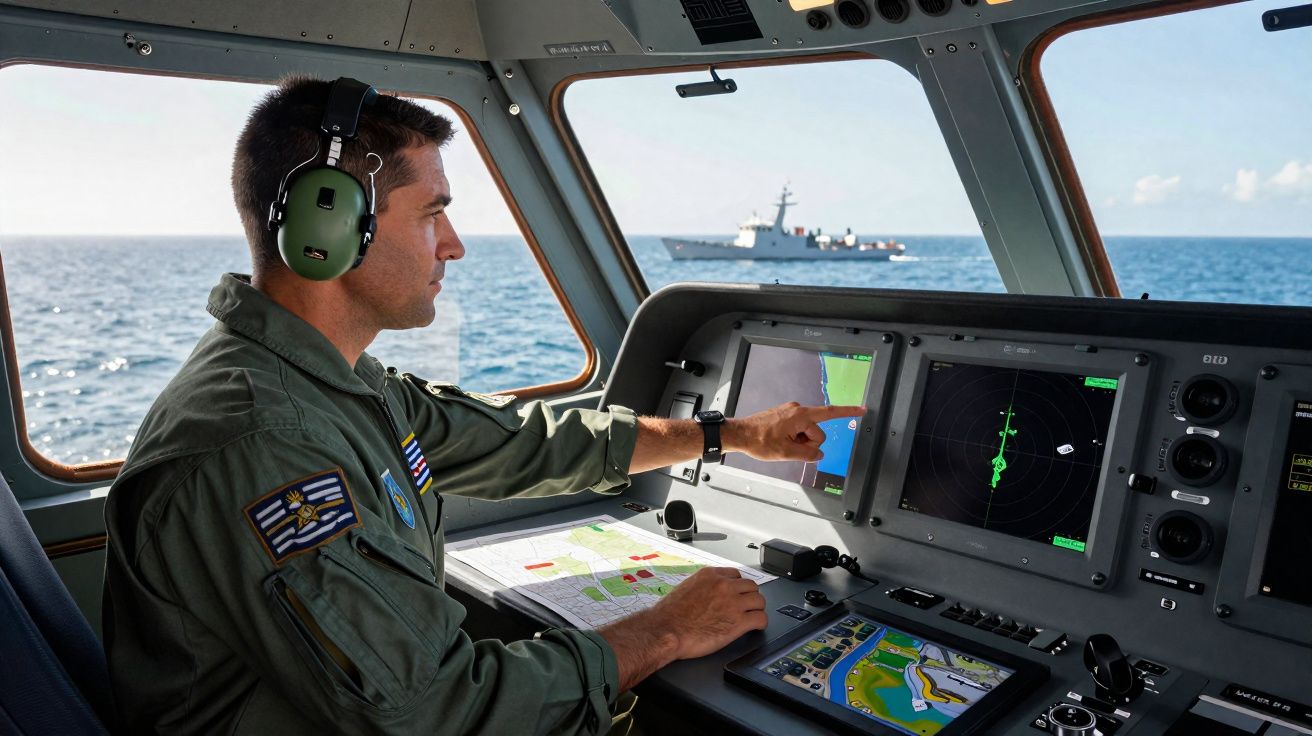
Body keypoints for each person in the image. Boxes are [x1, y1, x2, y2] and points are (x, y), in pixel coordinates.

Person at [102, 76, 863, 734]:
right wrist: (664, 630)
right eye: (431, 214)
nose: (455, 244)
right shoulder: (264, 441)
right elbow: (435, 714)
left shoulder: (332, 382)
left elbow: (522, 441)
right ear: (327, 226)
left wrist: (731, 433)